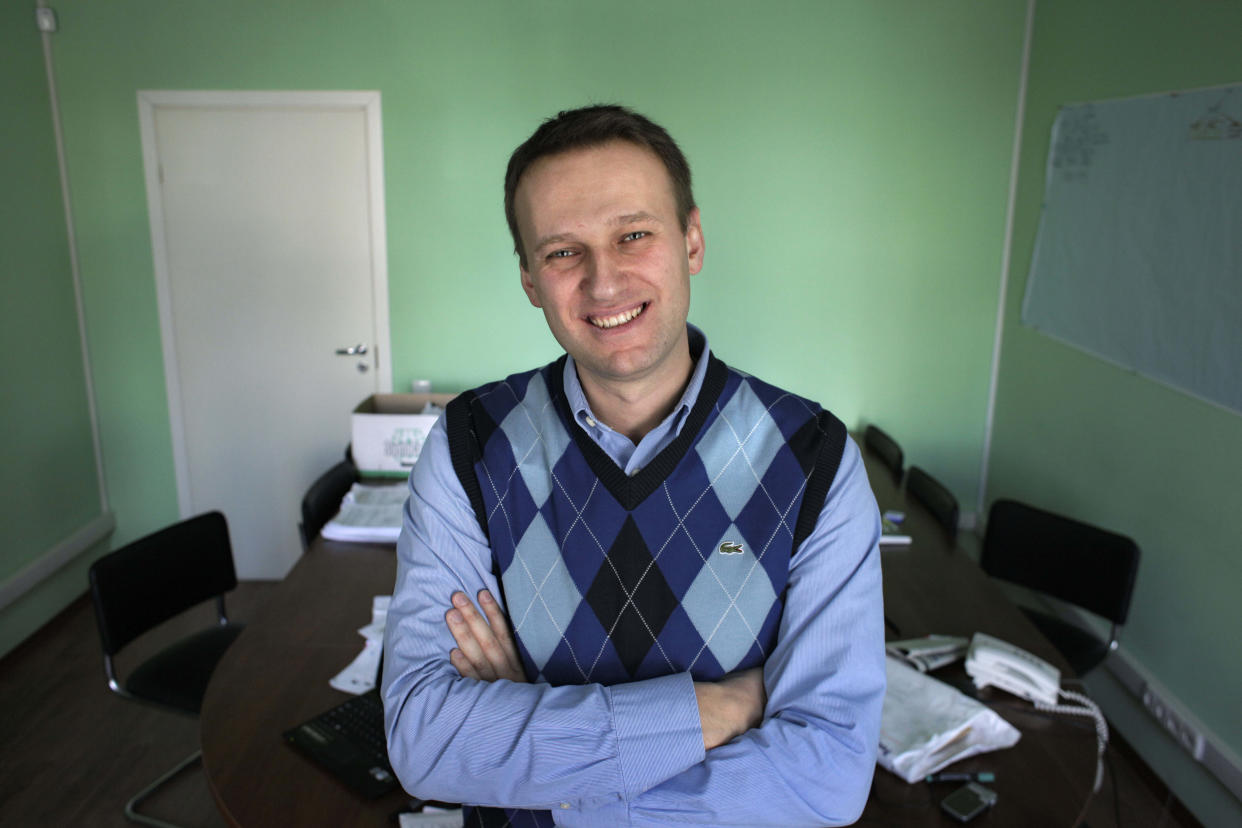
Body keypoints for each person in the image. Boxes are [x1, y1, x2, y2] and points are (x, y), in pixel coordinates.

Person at [382, 104, 885, 827]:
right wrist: (724, 708)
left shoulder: (815, 459)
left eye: (634, 235)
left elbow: (826, 778)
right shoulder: (468, 443)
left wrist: (539, 755)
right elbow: (426, 743)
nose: (603, 281)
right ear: (529, 279)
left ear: (692, 241)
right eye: (562, 252)